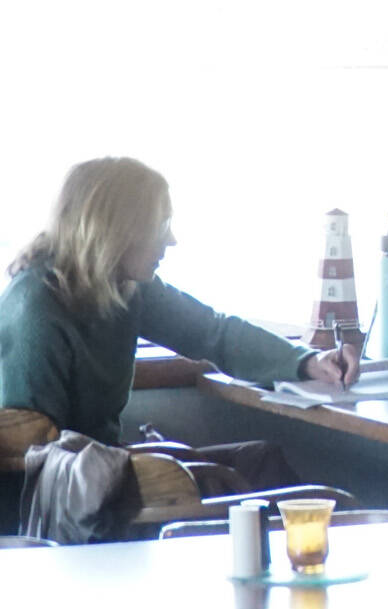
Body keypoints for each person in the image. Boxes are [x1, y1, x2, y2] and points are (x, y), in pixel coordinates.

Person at [0, 157, 358, 496]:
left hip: (104, 468)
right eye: (160, 226)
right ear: (115, 232)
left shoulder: (124, 286)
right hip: (71, 495)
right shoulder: (37, 311)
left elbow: (212, 332)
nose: (171, 240)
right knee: (235, 481)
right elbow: (38, 463)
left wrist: (308, 362)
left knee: (261, 461)